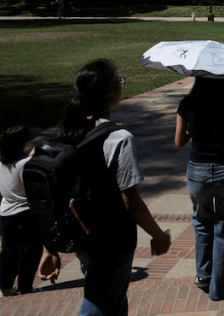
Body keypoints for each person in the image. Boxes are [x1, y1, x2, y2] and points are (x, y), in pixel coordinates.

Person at [39, 59, 172, 316]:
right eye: (120, 82)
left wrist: (50, 247)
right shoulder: (119, 138)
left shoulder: (69, 131)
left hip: (83, 236)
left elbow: (57, 192)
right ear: (111, 91)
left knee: (113, 300)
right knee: (99, 304)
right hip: (112, 240)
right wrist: (158, 235)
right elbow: (130, 201)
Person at [175, 76, 224, 300]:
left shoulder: (187, 103)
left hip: (197, 172)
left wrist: (195, 133)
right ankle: (221, 286)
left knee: (201, 222)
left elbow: (179, 142)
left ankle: (204, 275)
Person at [0, 126, 44, 298]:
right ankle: (25, 286)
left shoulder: (0, 162)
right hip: (26, 213)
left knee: (8, 251)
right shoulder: (27, 164)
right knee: (30, 250)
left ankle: (5, 288)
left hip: (7, 212)